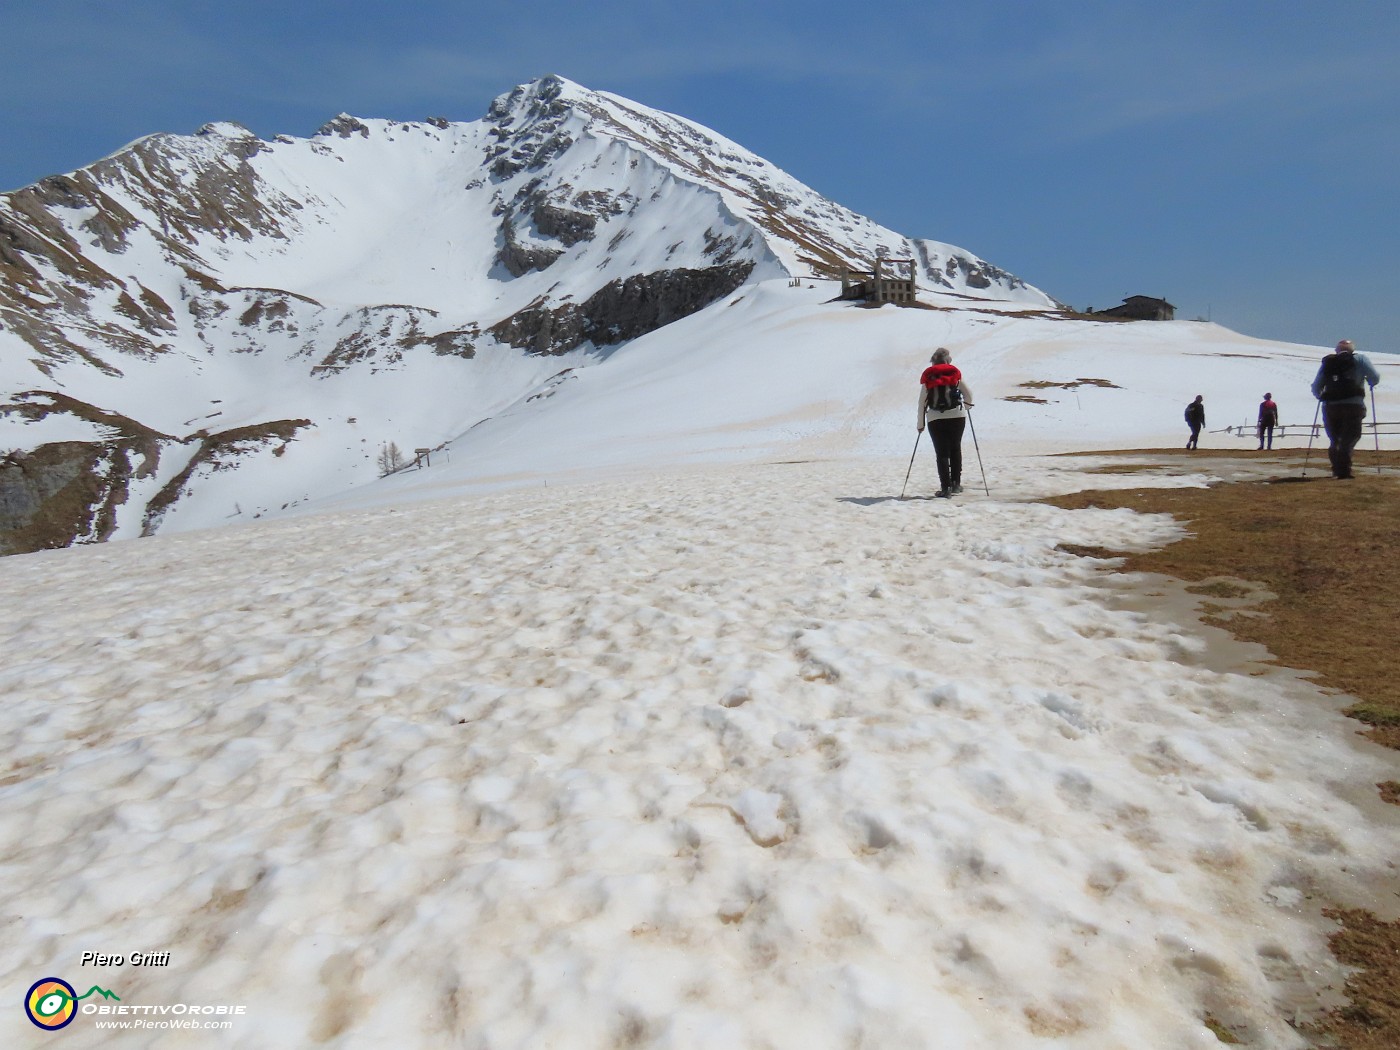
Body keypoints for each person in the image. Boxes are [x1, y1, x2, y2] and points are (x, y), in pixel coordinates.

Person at [1311, 339, 1381, 479]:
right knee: (1349, 437)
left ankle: (1336, 470)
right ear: (1352, 350)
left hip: (1331, 407)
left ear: (1337, 350)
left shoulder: (1329, 362)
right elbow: (1375, 377)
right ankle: (1344, 472)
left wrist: (1322, 397)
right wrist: (1370, 382)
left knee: (1334, 439)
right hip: (1353, 406)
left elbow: (1316, 386)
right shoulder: (1360, 359)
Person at [917, 347, 974, 497]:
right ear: (948, 360)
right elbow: (968, 395)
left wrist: (920, 425)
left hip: (935, 418)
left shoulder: (929, 378)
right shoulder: (954, 374)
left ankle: (945, 488)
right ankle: (956, 484)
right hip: (957, 416)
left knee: (941, 452)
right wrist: (967, 407)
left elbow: (922, 402)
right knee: (955, 448)